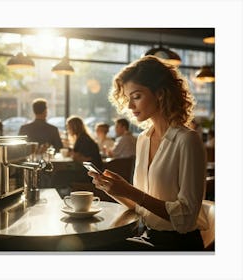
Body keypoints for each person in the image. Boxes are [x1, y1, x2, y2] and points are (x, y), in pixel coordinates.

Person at [88, 55, 209, 251]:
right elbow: (142, 207)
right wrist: (113, 189)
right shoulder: (143, 139)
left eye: (136, 96)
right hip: (148, 235)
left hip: (178, 245)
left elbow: (186, 217)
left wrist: (130, 191)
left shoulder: (188, 140)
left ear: (160, 93)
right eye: (128, 98)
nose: (129, 106)